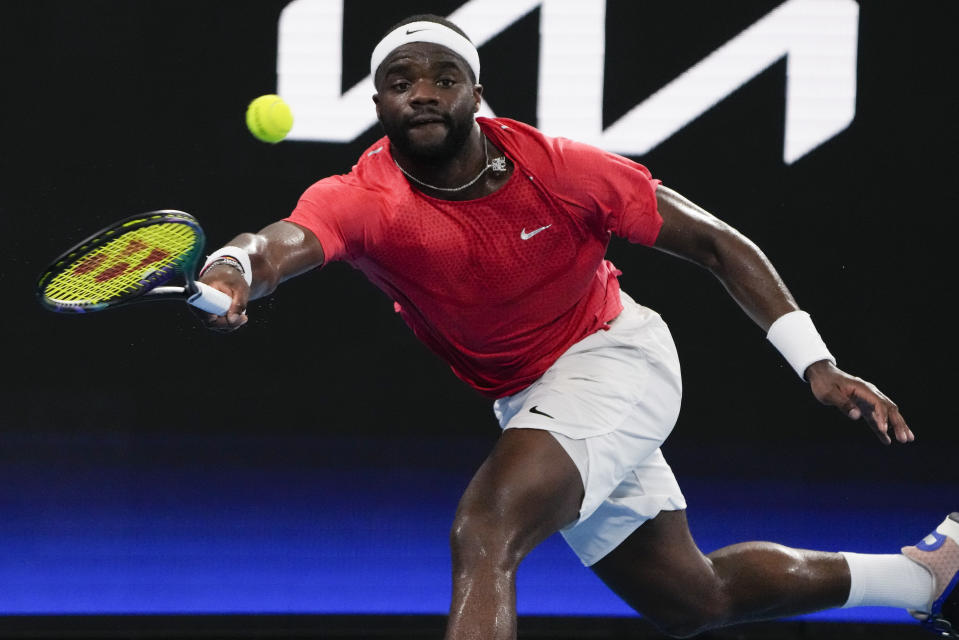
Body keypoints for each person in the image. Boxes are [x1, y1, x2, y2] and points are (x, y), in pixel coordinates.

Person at [196, 14, 958, 640]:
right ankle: (921, 577)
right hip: (528, 396)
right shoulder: (363, 197)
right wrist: (233, 270)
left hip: (614, 357)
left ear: (476, 94)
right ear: (377, 106)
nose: (421, 94)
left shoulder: (560, 170)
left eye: (441, 79)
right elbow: (276, 246)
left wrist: (814, 363)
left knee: (484, 530)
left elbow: (716, 243)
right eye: (400, 84)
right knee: (694, 599)